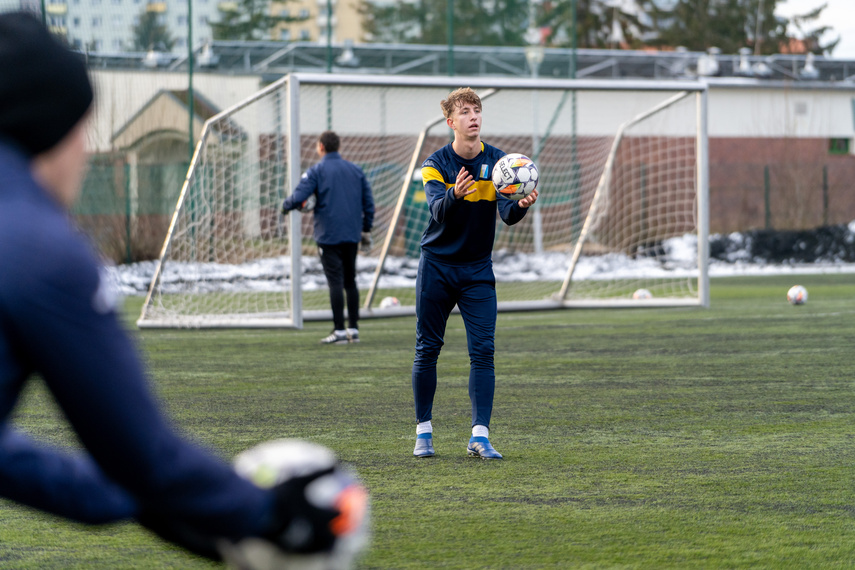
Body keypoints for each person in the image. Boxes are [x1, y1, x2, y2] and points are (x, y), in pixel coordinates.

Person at [0, 11, 340, 561]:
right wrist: (273, 515)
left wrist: (137, 502)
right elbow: (141, 453)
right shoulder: (37, 247)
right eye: (82, 130)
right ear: (48, 126)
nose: (85, 153)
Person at [411, 87, 538, 460]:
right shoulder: (435, 163)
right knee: (427, 349)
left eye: (477, 110)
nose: (473, 117)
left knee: (483, 352)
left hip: (477, 270)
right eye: (464, 112)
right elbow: (437, 210)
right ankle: (424, 432)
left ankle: (479, 436)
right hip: (436, 265)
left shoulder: (500, 164)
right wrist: (455, 194)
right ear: (451, 122)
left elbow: (507, 215)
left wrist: (522, 205)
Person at [282, 131, 375, 345]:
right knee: (350, 281)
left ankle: (339, 331)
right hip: (352, 234)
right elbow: (368, 202)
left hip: (328, 235)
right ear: (338, 146)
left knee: (335, 281)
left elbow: (298, 197)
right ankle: (354, 329)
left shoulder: (316, 170)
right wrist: (365, 228)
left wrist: (286, 206)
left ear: (321, 147)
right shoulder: (355, 170)